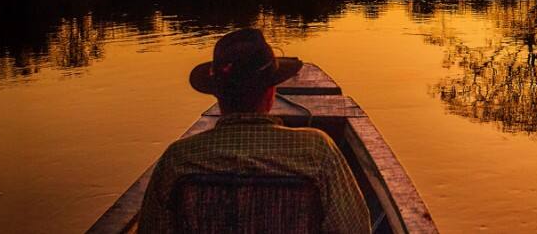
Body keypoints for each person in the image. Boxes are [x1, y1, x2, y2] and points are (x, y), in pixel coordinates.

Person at [137, 28, 371, 233]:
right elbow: (355, 229)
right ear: (270, 94)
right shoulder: (317, 152)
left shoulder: (178, 159)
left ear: (217, 94)